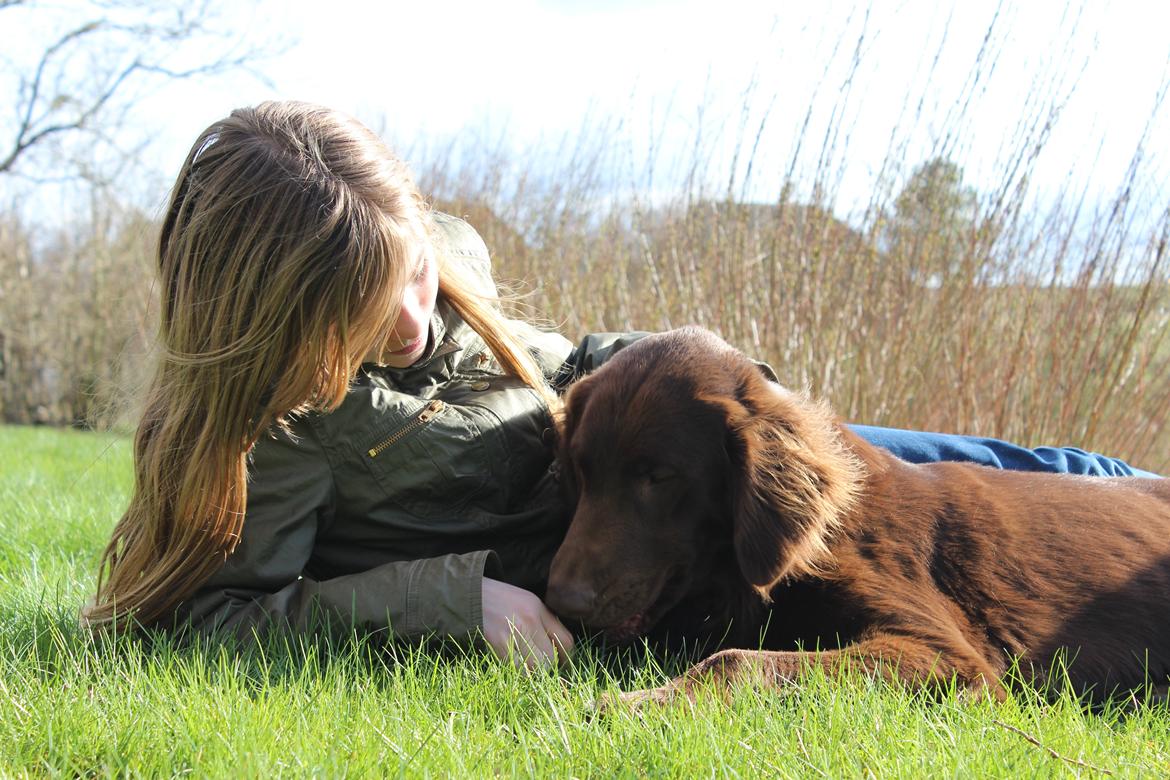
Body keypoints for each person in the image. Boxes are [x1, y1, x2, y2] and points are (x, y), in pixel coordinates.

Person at [82, 101, 1159, 670]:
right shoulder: (266, 437)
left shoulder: (437, 255)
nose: (418, 320)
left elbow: (563, 353)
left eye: (411, 269)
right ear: (271, 323)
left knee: (1071, 479)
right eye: (361, 316)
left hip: (683, 454)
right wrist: (453, 597)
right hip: (629, 511)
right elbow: (203, 621)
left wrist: (699, 371)